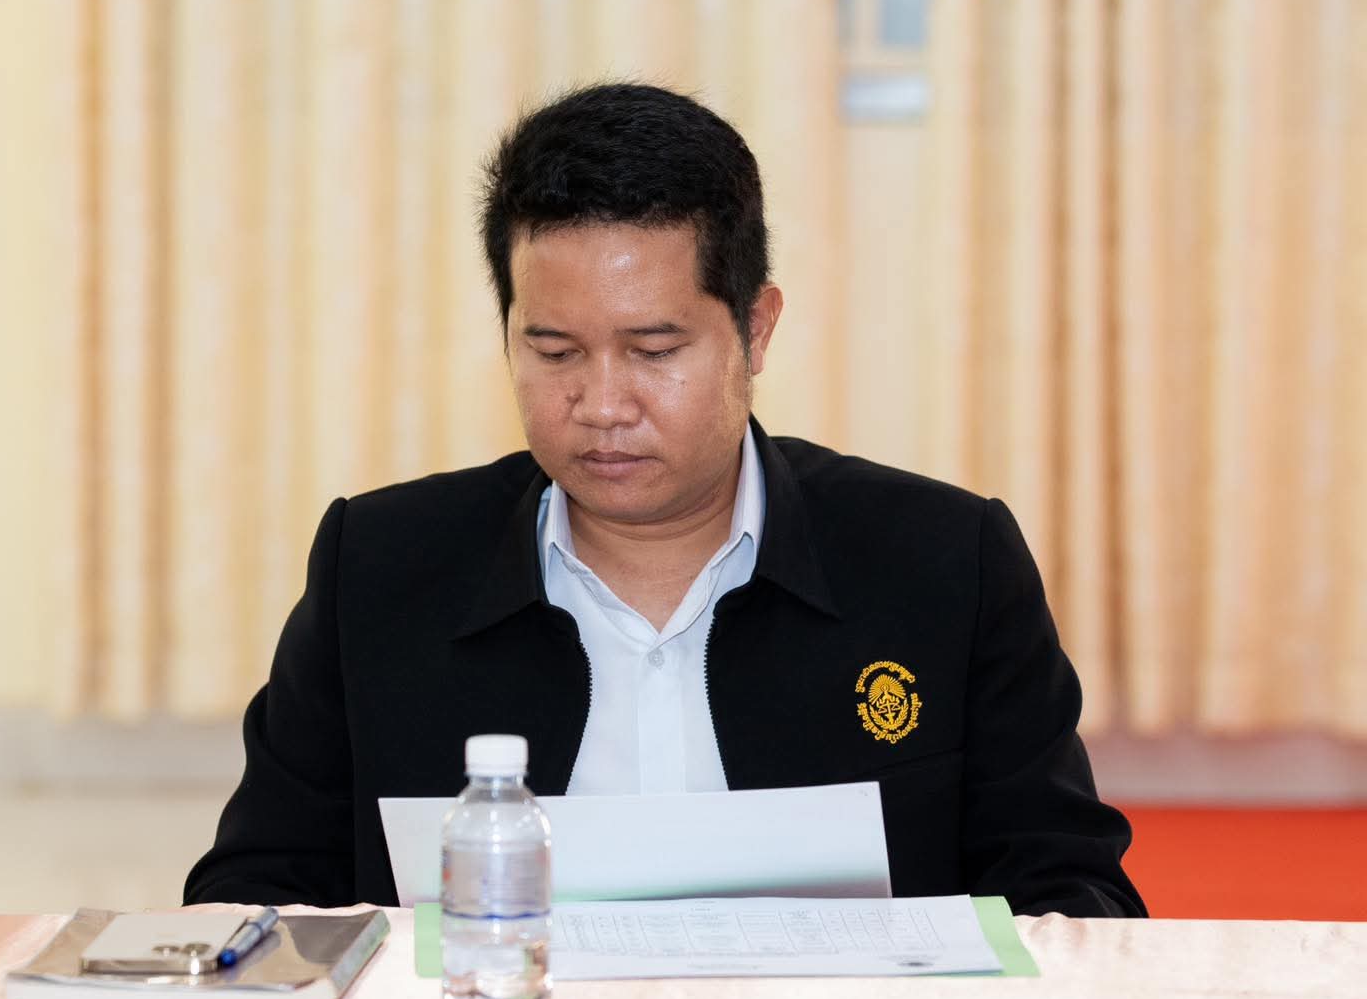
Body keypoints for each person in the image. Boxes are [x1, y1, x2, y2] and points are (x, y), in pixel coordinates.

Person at [184, 82, 1146, 917]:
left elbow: (1070, 895)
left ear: (755, 329)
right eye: (554, 351)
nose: (602, 404)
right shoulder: (380, 568)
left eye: (654, 351)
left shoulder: (941, 561)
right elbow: (257, 893)